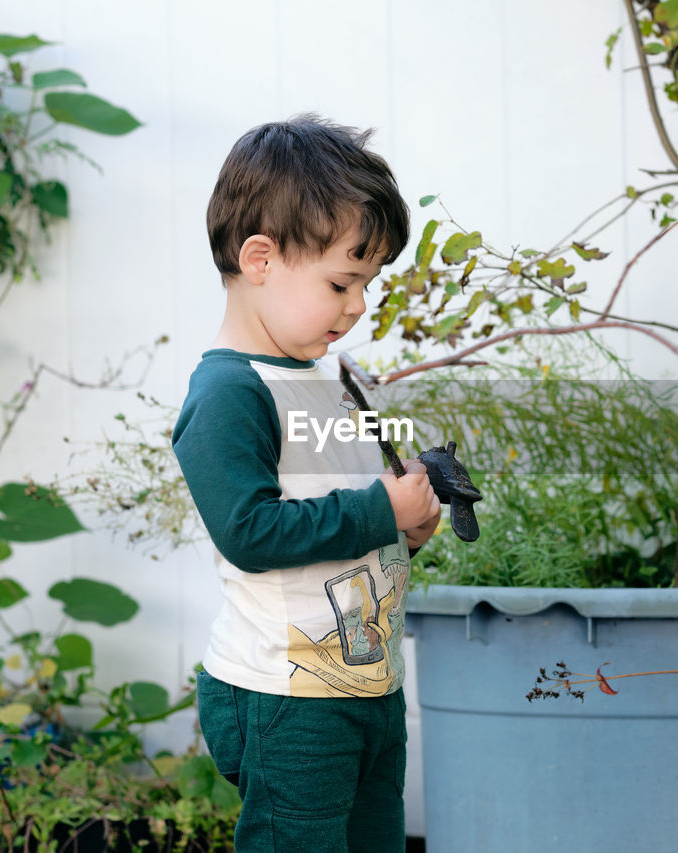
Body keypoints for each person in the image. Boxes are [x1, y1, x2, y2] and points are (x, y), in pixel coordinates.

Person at [172, 115, 440, 852]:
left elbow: (346, 512)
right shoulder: (231, 392)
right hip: (284, 697)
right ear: (260, 258)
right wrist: (377, 507)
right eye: (342, 281)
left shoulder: (330, 380)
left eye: (367, 283)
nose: (358, 305)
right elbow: (251, 531)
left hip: (363, 686)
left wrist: (405, 523)